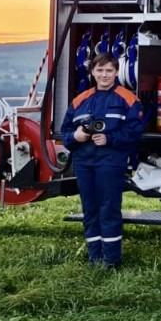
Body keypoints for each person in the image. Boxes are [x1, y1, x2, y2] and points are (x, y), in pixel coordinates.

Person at [60, 54, 144, 268]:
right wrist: (76, 137)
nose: (104, 75)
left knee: (109, 209)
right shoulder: (80, 100)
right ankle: (94, 257)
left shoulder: (128, 99)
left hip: (110, 161)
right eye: (100, 70)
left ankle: (111, 260)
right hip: (84, 162)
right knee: (90, 210)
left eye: (109, 70)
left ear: (116, 72)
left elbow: (134, 133)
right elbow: (66, 133)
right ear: (93, 73)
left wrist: (109, 138)